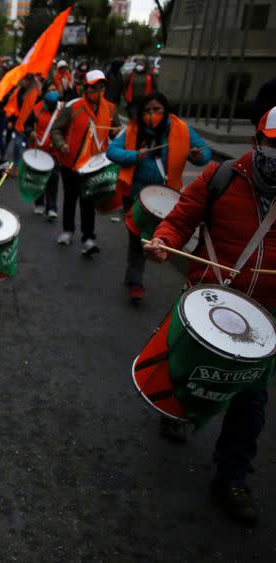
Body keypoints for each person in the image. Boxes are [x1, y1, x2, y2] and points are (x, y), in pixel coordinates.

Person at [142, 105, 276, 527]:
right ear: (258, 142)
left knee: (251, 403)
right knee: (187, 373)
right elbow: (181, 219)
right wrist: (164, 240)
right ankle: (177, 410)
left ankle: (232, 478)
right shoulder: (220, 178)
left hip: (263, 321)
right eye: (274, 145)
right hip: (209, 303)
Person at [107, 92, 210, 303]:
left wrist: (198, 155)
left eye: (157, 110)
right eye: (147, 111)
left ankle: (135, 274)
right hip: (136, 195)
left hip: (167, 197)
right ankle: (136, 282)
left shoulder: (181, 128)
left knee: (159, 238)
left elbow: (204, 152)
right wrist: (134, 155)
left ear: (166, 110)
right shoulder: (133, 129)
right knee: (137, 239)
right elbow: (111, 151)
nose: (151, 115)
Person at [50, 70, 121, 256]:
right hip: (71, 163)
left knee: (88, 201)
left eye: (101, 87)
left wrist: (117, 132)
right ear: (86, 88)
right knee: (70, 198)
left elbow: (115, 133)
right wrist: (61, 144)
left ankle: (89, 239)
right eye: (94, 87)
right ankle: (67, 230)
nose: (98, 90)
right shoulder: (73, 107)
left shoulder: (112, 109)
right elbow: (56, 129)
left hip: (95, 165)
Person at [25, 83, 63, 219]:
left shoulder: (62, 109)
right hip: (39, 150)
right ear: (44, 93)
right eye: (50, 90)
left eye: (55, 89)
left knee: (53, 178)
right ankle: (39, 203)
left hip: (55, 151)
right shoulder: (37, 108)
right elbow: (27, 125)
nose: (53, 92)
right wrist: (31, 132)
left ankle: (52, 208)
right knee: (39, 178)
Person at [5, 74, 41, 171]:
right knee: (17, 145)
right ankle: (17, 166)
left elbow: (38, 108)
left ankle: (29, 166)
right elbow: (14, 107)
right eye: (24, 79)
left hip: (31, 123)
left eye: (26, 80)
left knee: (29, 146)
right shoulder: (19, 91)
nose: (24, 82)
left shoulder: (36, 92)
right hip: (19, 123)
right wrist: (11, 120)